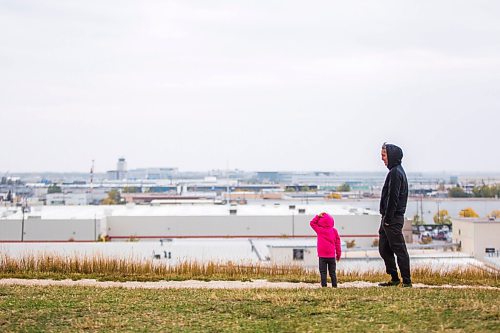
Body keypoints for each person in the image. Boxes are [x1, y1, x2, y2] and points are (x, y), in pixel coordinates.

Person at [378, 143, 412, 287]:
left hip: (392, 219)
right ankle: (394, 278)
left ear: (391, 156)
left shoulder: (396, 173)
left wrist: (388, 219)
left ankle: (406, 280)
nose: (382, 159)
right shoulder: (394, 171)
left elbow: (393, 197)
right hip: (387, 218)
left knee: (399, 249)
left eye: (384, 156)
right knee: (384, 248)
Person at [310, 212, 341, 287]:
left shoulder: (320, 230)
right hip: (331, 256)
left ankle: (324, 286)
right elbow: (338, 244)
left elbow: (312, 223)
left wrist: (317, 216)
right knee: (332, 272)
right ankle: (334, 286)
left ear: (321, 221)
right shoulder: (334, 231)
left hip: (322, 256)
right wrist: (338, 255)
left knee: (323, 272)